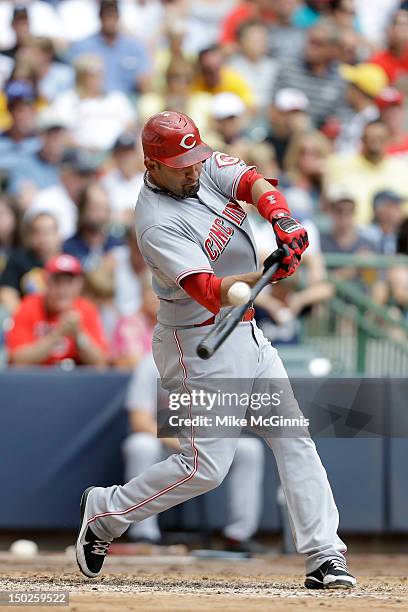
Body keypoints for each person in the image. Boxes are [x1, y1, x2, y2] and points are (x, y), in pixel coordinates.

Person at [75, 111, 356, 590]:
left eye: (194, 158)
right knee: (205, 469)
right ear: (152, 164)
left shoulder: (198, 163)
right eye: (179, 164)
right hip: (198, 339)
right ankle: (105, 510)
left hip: (245, 332)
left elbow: (251, 181)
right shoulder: (154, 222)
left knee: (293, 438)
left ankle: (324, 554)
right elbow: (209, 289)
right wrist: (270, 272)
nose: (192, 169)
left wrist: (282, 218)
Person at [123, 352, 266, 552]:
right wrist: (180, 442)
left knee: (250, 450)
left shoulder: (217, 364)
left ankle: (238, 536)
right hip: (162, 443)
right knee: (140, 446)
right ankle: (144, 535)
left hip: (204, 439)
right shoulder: (151, 363)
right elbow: (140, 421)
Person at [6, 253, 107, 367]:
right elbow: (18, 360)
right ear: (46, 282)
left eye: (68, 282)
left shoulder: (86, 310)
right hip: (37, 379)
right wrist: (58, 334)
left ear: (79, 284)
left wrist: (79, 335)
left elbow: (100, 363)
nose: (62, 289)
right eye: (57, 282)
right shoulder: (29, 306)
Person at [324, 119, 408, 225]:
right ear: (362, 140)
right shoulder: (339, 165)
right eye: (370, 139)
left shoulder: (402, 169)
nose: (375, 144)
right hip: (353, 231)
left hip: (394, 231)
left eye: (380, 139)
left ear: (388, 140)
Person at [50, 54, 136, 152]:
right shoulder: (67, 100)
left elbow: (130, 125)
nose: (98, 78)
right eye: (92, 74)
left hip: (118, 153)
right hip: (82, 154)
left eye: (100, 73)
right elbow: (61, 134)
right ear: (81, 76)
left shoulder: (116, 98)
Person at [67, 0, 151, 96]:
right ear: (100, 17)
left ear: (118, 17)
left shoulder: (135, 47)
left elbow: (144, 80)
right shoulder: (82, 46)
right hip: (90, 99)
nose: (110, 20)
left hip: (126, 100)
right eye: (106, 15)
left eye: (113, 15)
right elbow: (72, 80)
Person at [273, 20, 345, 127]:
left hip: (321, 138)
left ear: (332, 49)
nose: (310, 48)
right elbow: (273, 112)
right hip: (287, 134)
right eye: (310, 42)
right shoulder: (289, 69)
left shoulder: (339, 78)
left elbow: (338, 117)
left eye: (318, 44)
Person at [0, 210, 61, 313]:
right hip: (26, 316)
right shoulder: (18, 259)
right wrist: (27, 317)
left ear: (58, 235)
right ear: (31, 236)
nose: (43, 238)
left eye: (48, 232)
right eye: (38, 232)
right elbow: (7, 294)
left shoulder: (68, 264)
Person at [63, 181, 122, 271]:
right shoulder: (68, 249)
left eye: (105, 209)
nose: (101, 215)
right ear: (82, 209)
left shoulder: (117, 246)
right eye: (96, 208)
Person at [335, 63, 387, 153]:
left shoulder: (372, 121)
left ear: (359, 92)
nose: (347, 89)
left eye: (351, 85)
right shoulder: (355, 113)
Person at [101, 133, 145, 225]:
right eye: (121, 153)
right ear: (115, 156)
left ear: (136, 155)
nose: (126, 158)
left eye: (129, 153)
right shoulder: (106, 182)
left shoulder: (146, 181)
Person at [370, 9, 408, 84]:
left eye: (404, 25)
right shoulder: (377, 61)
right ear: (388, 29)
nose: (400, 29)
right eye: (396, 24)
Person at [376, 87, 408, 159]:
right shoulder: (373, 147)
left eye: (395, 108)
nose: (392, 114)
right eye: (386, 109)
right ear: (380, 113)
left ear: (402, 112)